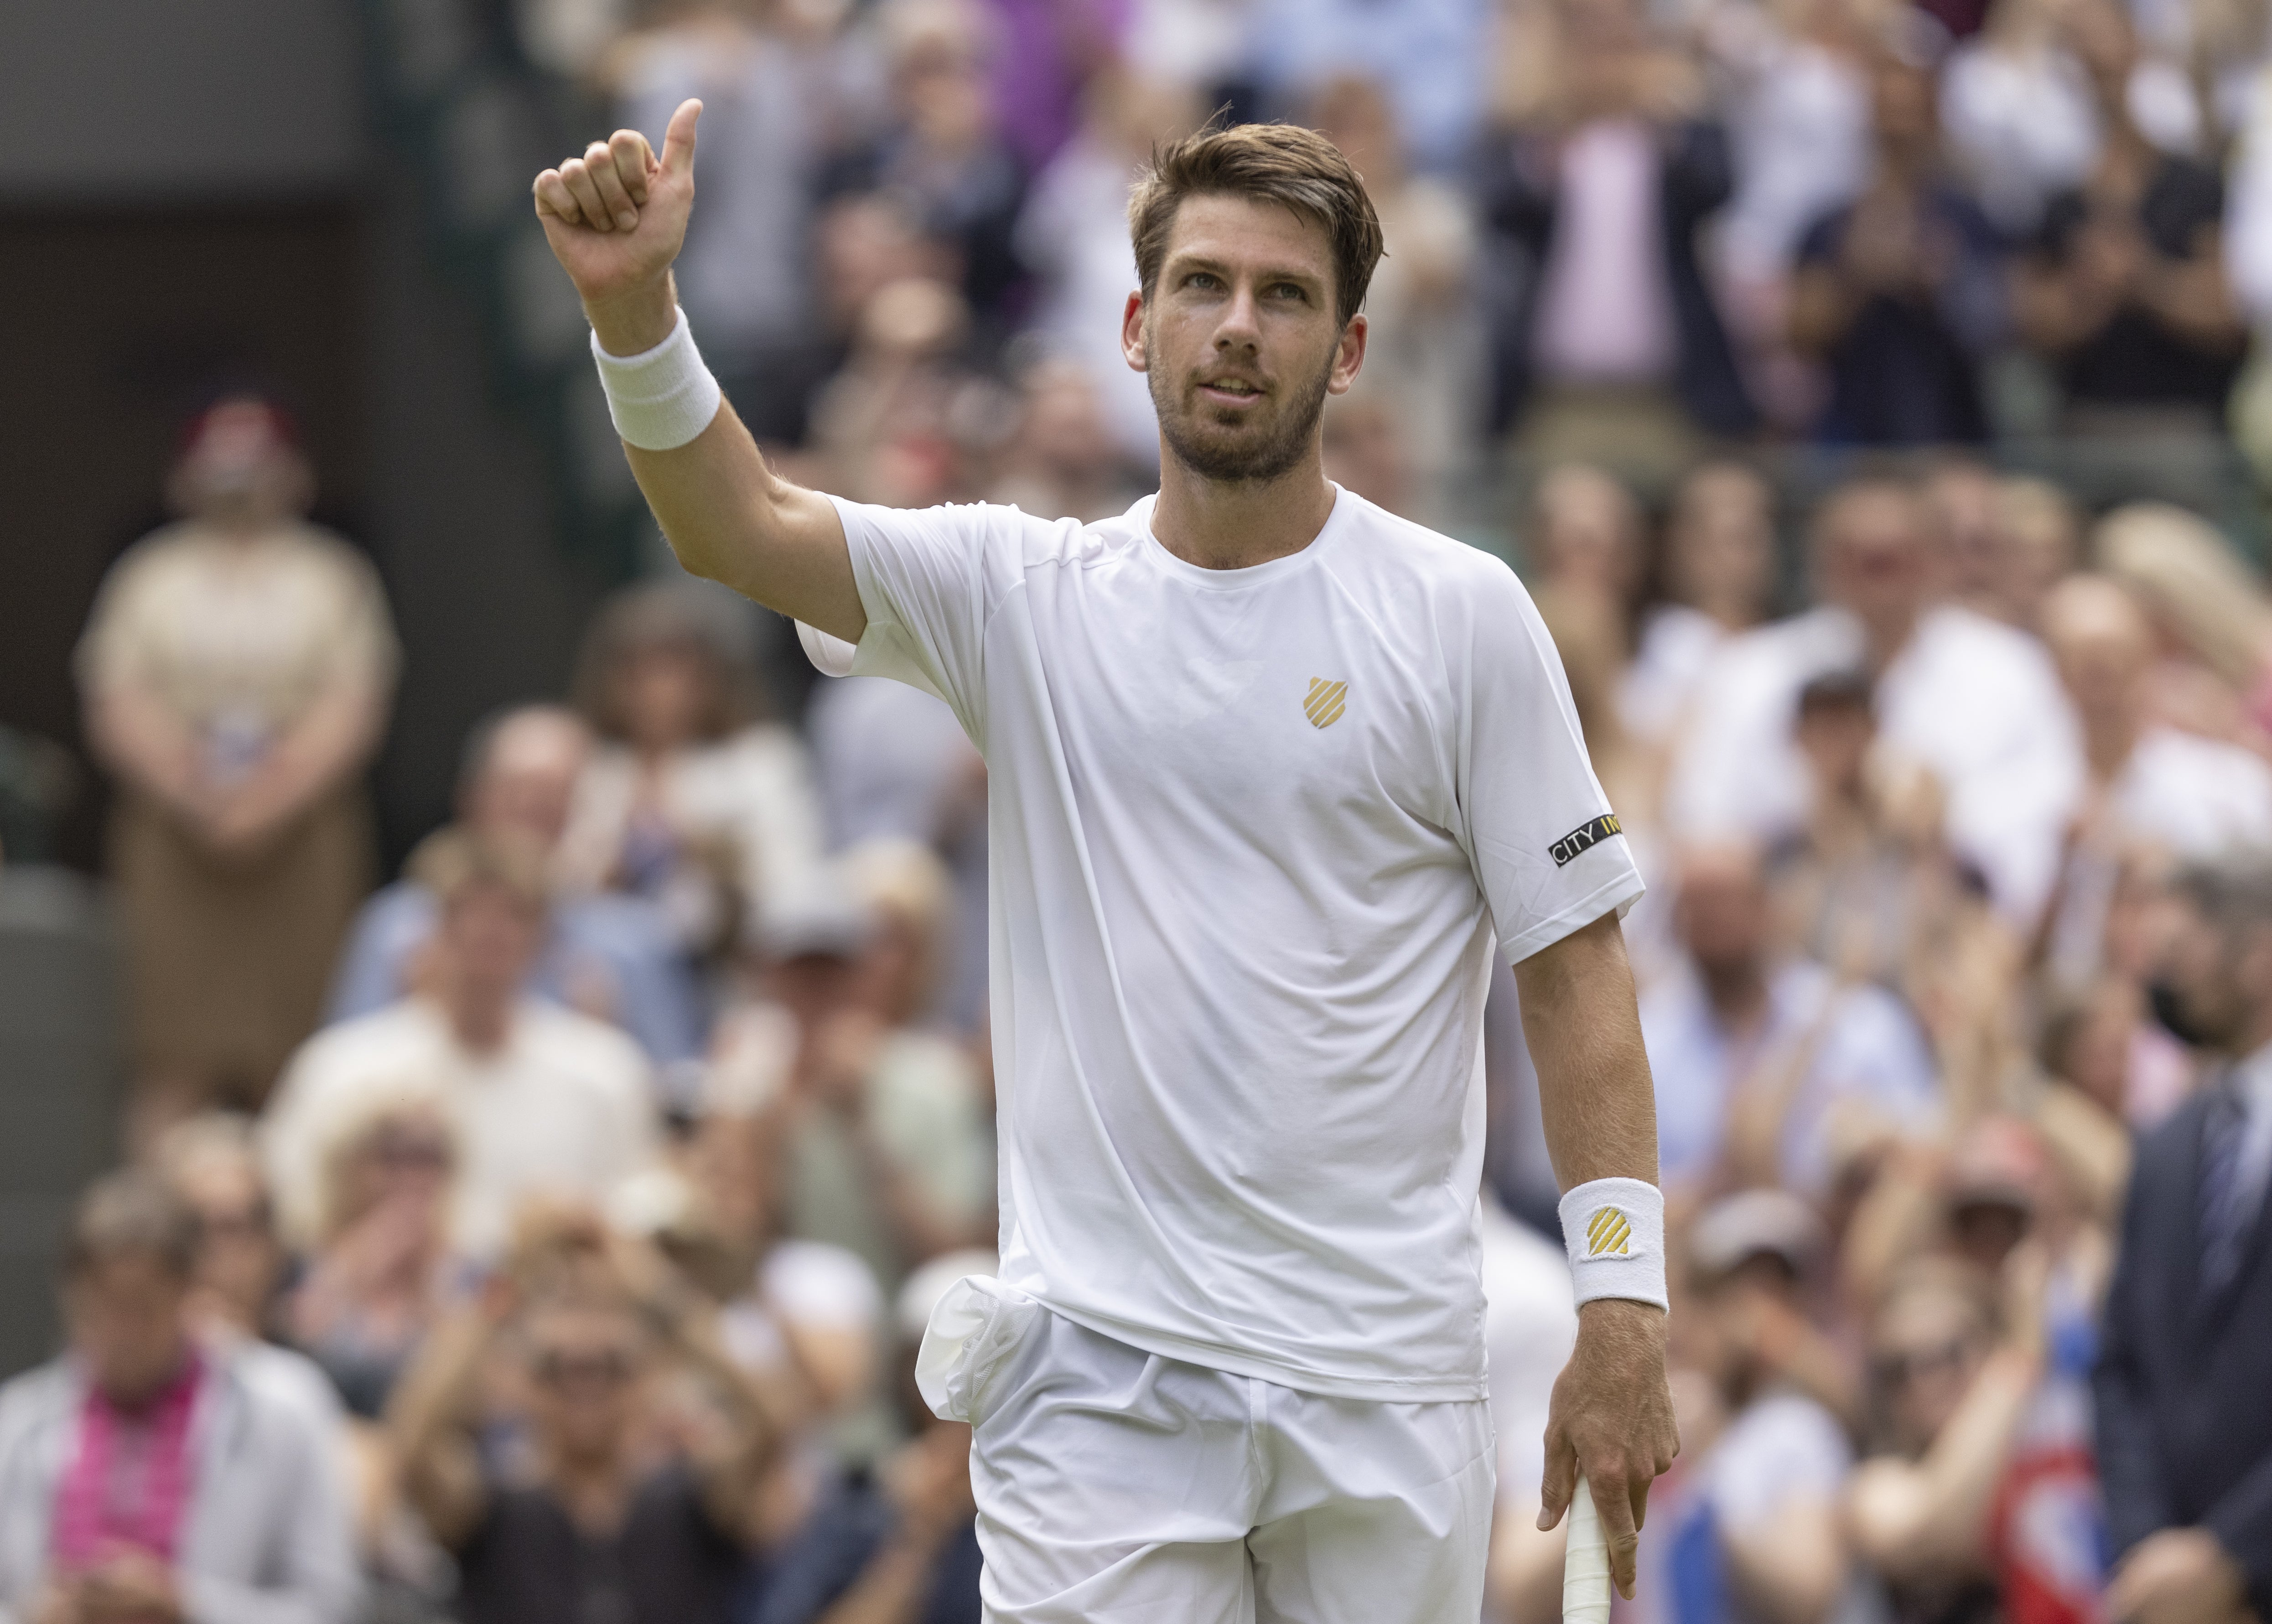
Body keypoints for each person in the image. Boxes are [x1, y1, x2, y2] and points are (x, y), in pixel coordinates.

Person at [534, 107, 1678, 1620]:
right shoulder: (1023, 594)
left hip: (1385, 1375)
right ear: (1137, 325)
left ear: (1345, 354)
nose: (1236, 328)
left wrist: (1623, 1306)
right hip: (1099, 1381)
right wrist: (634, 309)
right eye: (1202, 286)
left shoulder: (1463, 616)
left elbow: (1576, 967)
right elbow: (732, 525)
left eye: (1285, 298)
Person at [76, 396, 399, 1145]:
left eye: (258, 464)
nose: (240, 482)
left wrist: (274, 795)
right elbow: (117, 697)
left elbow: (354, 700)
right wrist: (193, 789)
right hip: (176, 838)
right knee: (170, 1052)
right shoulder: (148, 575)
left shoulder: (334, 575)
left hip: (301, 836)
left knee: (298, 1050)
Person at [1668, 475, 2083, 926]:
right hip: (1791, 932)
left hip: (1957, 929)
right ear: (1822, 564)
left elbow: (2052, 799)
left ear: (1931, 559)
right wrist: (1818, 803)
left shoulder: (2011, 670)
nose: (1877, 577)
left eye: (1891, 559)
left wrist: (1942, 815)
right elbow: (1703, 815)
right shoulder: (1753, 671)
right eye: (1858, 559)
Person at [263, 828, 660, 1262]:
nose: (488, 933)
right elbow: (289, 1210)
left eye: (513, 915)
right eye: (467, 913)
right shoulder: (341, 1068)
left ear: (543, 936)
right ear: (433, 929)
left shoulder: (606, 1071)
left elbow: (635, 1222)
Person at [0, 1171, 361, 1624]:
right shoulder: (18, 1420)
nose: (123, 1332)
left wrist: (186, 1605)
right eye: (104, 1307)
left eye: (142, 1307)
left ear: (188, 1292)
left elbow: (331, 1607)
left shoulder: (286, 1404)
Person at [389, 1210, 778, 1624]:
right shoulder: (490, 1509)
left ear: (648, 1378)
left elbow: (771, 1419)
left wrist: (653, 1287)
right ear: (525, 1381)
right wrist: (506, 1285)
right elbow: (412, 1441)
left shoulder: (692, 1501)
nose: (587, 1392)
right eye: (558, 1369)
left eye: (611, 1367)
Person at [327, 703, 705, 1065]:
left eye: (554, 797)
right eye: (515, 792)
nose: (530, 813)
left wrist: (610, 1046)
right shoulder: (399, 928)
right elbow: (338, 1073)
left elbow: (677, 1092)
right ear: (471, 797)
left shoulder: (632, 941)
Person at [2096, 858, 2272, 1624]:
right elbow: (2122, 1365)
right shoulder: (2165, 1148)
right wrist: (2152, 1553)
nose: (2159, 977)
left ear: (2259, 957)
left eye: (2179, 950)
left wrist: (2233, 1554)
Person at [1642, 843, 1940, 1197]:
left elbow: (1925, 1147)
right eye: (1696, 906)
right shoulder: (1649, 1041)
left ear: (1766, 905)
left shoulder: (1860, 1022)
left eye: (1725, 902)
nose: (1713, 921)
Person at [558, 581, 827, 965]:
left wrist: (716, 859)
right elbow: (559, 890)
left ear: (711, 680)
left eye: (673, 670)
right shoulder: (585, 765)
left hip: (736, 966)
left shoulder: (761, 763)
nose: (657, 690)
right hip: (612, 974)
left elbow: (796, 882)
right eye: (637, 672)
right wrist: (608, 868)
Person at [1787, 19, 2008, 447]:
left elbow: (2002, 327)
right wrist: (1858, 277)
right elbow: (1798, 334)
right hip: (1854, 438)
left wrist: (1941, 281)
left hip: (1956, 435)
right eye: (1888, 109)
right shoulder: (1830, 223)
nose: (1899, 126)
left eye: (1911, 109)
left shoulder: (1970, 220)